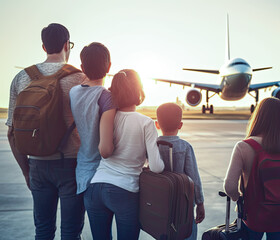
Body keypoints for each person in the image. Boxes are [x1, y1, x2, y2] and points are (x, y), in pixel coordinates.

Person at [6, 23, 86, 239]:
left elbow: (11, 133)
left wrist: (26, 170)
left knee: (42, 230)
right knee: (71, 232)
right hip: (71, 165)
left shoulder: (22, 78)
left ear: (44, 47)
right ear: (66, 45)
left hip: (37, 164)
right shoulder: (80, 79)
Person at [88, 69, 164, 240]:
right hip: (124, 191)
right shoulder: (146, 122)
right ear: (139, 90)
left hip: (95, 187)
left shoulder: (107, 117)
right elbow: (157, 167)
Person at [224, 97, 280, 240]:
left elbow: (229, 186)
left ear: (258, 117)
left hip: (253, 214)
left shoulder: (243, 147)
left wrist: (239, 199)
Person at [69, 42, 116, 195]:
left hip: (82, 171)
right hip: (102, 174)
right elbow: (106, 150)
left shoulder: (73, 92)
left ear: (82, 68)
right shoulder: (107, 97)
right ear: (109, 67)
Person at [156, 102, 205, 240]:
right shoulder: (185, 147)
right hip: (184, 206)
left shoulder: (153, 146)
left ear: (157, 124)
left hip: (161, 205)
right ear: (180, 125)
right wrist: (200, 202)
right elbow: (194, 178)